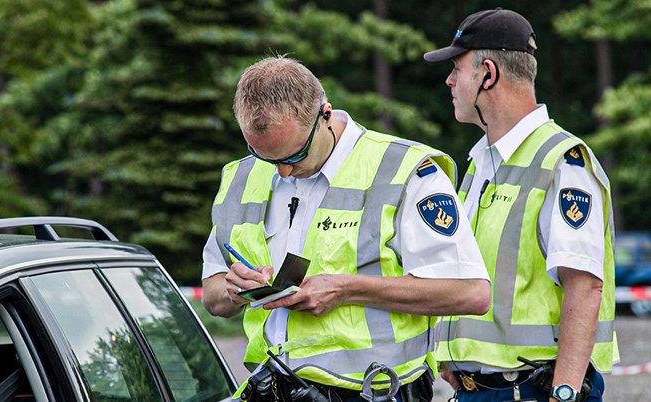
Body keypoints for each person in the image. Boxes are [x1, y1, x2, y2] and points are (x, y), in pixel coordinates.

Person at [201, 55, 490, 402]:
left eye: (294, 156)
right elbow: (214, 294)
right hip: (272, 388)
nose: (283, 174)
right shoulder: (240, 177)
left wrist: (343, 289)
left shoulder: (404, 171)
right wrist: (235, 290)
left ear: (326, 114)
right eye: (266, 157)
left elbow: (472, 293)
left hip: (377, 391)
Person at [423, 8, 619, 402]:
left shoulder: (562, 160)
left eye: (457, 68)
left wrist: (564, 391)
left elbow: (585, 285)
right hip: (481, 390)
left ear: (488, 74)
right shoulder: (481, 164)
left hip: (532, 389)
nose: (449, 80)